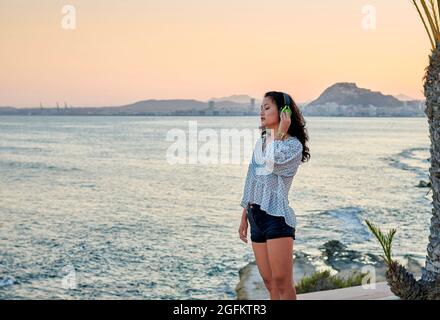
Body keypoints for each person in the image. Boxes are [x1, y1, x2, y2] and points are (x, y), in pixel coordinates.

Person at [238, 91, 310, 300]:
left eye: (267, 107)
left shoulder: (292, 146)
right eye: (260, 107)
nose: (261, 112)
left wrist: (280, 133)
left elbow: (273, 163)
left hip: (276, 218)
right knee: (269, 283)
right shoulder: (262, 142)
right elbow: (252, 178)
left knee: (282, 283)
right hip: (256, 216)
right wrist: (244, 213)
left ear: (284, 112)